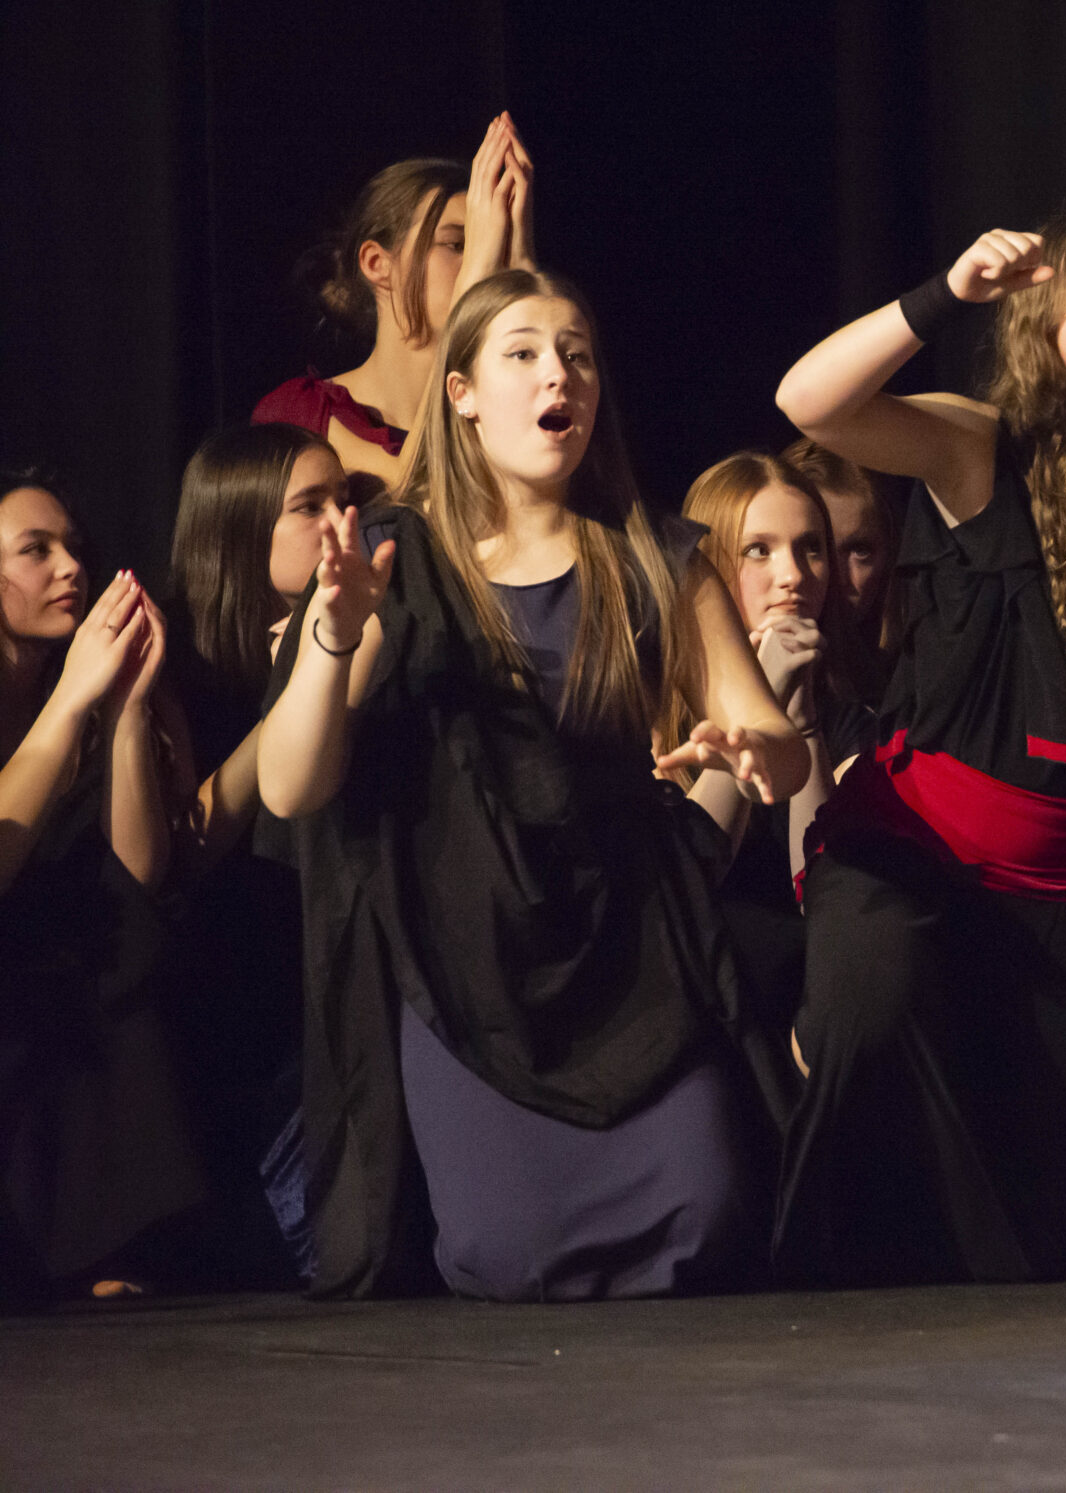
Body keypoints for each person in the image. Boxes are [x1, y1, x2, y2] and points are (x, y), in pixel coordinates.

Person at [259, 269, 804, 1301]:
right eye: (524, 353)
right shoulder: (392, 557)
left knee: (709, 1220)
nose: (560, 375)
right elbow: (290, 789)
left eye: (578, 355)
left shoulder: (651, 552)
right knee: (507, 1254)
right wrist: (333, 636)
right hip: (466, 964)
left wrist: (753, 747)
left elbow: (774, 739)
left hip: (626, 952)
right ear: (461, 393)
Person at [772, 209, 1066, 1283]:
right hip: (914, 854)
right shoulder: (979, 448)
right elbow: (808, 401)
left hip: (1064, 890)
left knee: (1050, 1243)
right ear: (1040, 328)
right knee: (870, 1005)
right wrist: (944, 295)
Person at [0, 474, 201, 1298]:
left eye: (74, 547)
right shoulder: (63, 694)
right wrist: (73, 699)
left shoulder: (84, 688)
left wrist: (124, 712)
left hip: (73, 960)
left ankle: (106, 1244)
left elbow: (138, 875)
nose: (71, 567)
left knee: (118, 960)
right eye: (35, 550)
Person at [165, 422, 349, 1280]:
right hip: (242, 1008)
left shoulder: (358, 631)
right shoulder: (181, 666)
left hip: (340, 975)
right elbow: (186, 849)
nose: (339, 523)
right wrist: (295, 692)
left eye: (345, 500)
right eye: (310, 506)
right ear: (241, 528)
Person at [680, 450, 863, 1033]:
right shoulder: (654, 704)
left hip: (803, 1014)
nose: (795, 575)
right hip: (692, 1010)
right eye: (759, 549)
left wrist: (801, 721)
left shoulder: (850, 720)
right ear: (708, 565)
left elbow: (826, 903)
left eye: (810, 548)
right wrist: (759, 700)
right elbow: (684, 880)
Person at [253, 115, 534, 488]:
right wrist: (473, 284)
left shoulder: (509, 410)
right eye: (458, 245)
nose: (485, 263)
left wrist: (523, 269)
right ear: (376, 263)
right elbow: (413, 487)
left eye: (495, 247)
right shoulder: (302, 414)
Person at [779, 435, 903, 713]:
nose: (836, 575)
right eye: (813, 547)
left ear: (890, 555)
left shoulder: (912, 681)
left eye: (860, 551)